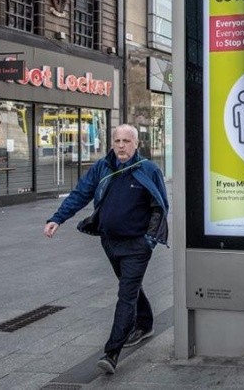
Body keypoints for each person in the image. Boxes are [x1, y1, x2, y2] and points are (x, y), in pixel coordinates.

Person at [43, 124, 169, 374]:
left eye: (126, 141)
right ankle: (145, 323)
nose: (121, 145)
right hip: (110, 242)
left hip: (137, 245)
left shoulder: (148, 170)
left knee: (126, 294)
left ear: (136, 144)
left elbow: (159, 206)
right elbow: (81, 193)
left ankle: (112, 353)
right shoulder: (103, 167)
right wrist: (57, 218)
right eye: (117, 140)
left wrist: (149, 240)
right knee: (129, 285)